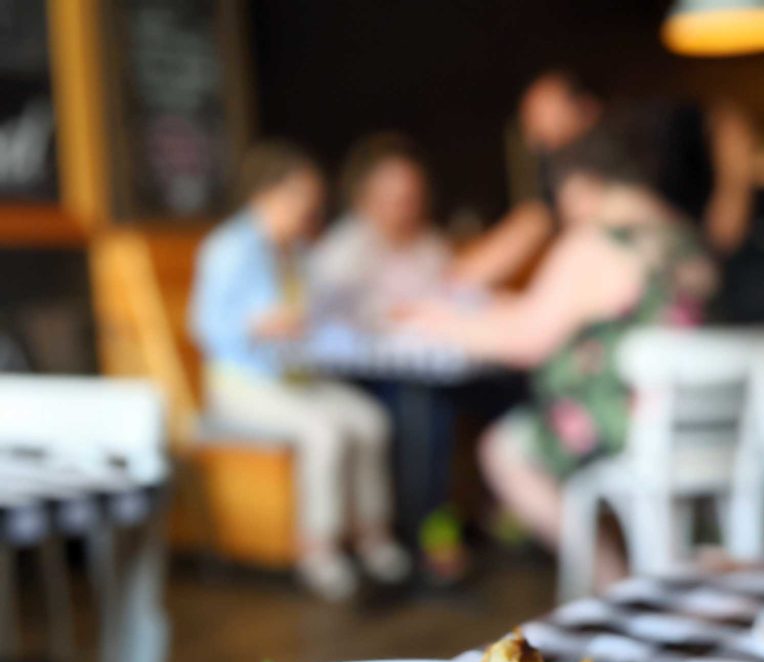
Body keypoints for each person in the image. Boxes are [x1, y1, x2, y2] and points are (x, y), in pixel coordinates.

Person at [402, 130, 716, 587]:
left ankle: (615, 585)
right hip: (701, 426)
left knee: (504, 449)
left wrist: (437, 321)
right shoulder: (686, 237)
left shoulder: (596, 243)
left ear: (583, 183)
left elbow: (526, 339)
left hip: (624, 425)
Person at [189, 139, 409, 600]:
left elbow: (321, 310)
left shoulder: (296, 252)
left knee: (370, 421)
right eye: (301, 199)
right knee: (324, 431)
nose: (309, 211)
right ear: (267, 194)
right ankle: (318, 548)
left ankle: (372, 536)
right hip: (241, 382)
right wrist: (259, 324)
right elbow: (204, 326)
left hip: (296, 377)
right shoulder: (229, 248)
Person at [454, 71, 753, 293]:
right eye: (528, 118)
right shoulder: (558, 165)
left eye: (540, 112)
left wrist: (732, 196)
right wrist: (457, 278)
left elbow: (726, 118)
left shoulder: (636, 122)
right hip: (662, 283)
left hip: (722, 258)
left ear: (585, 106)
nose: (534, 130)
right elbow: (531, 223)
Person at [310, 133, 450, 330]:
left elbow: (451, 291)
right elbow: (334, 318)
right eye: (395, 200)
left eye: (411, 199)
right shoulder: (344, 250)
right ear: (365, 197)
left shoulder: (429, 243)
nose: (405, 211)